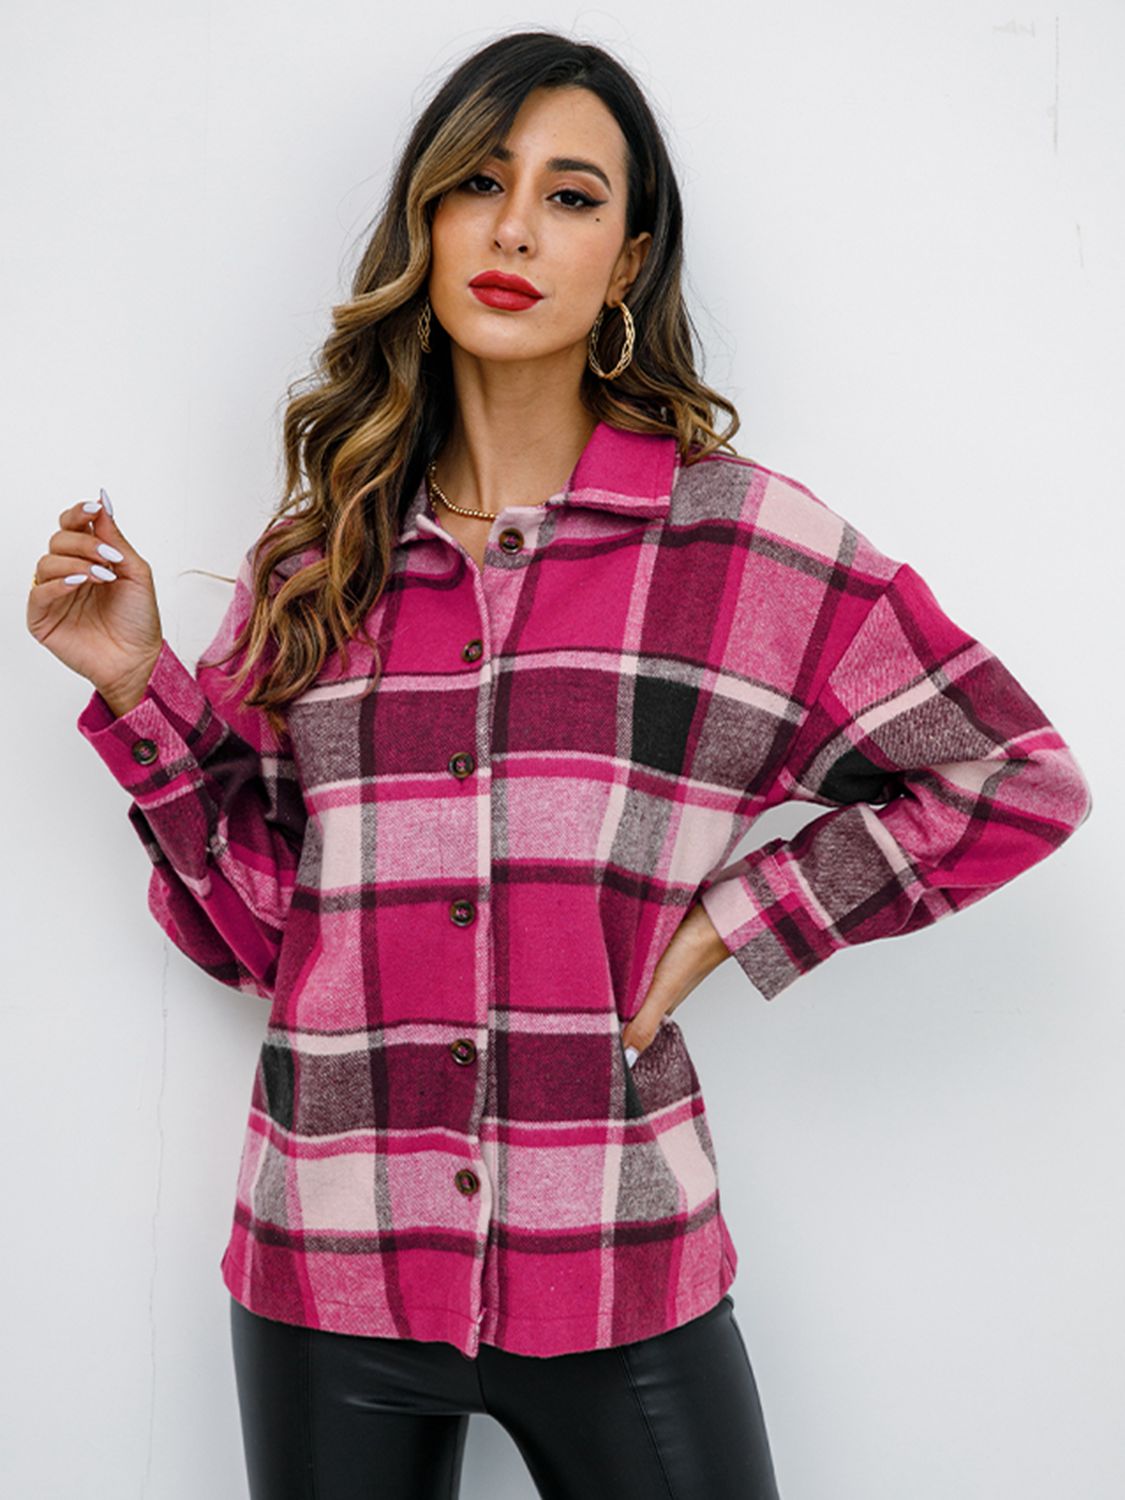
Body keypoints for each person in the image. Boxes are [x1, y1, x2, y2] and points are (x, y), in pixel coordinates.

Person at [26, 29, 1092, 1500]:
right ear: (426, 224)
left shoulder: (742, 547)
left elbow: (1010, 777)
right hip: (326, 1265)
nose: (516, 227)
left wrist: (726, 926)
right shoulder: (317, 560)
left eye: (571, 195)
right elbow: (263, 939)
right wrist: (139, 687)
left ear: (627, 258)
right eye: (478, 183)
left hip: (613, 1251)